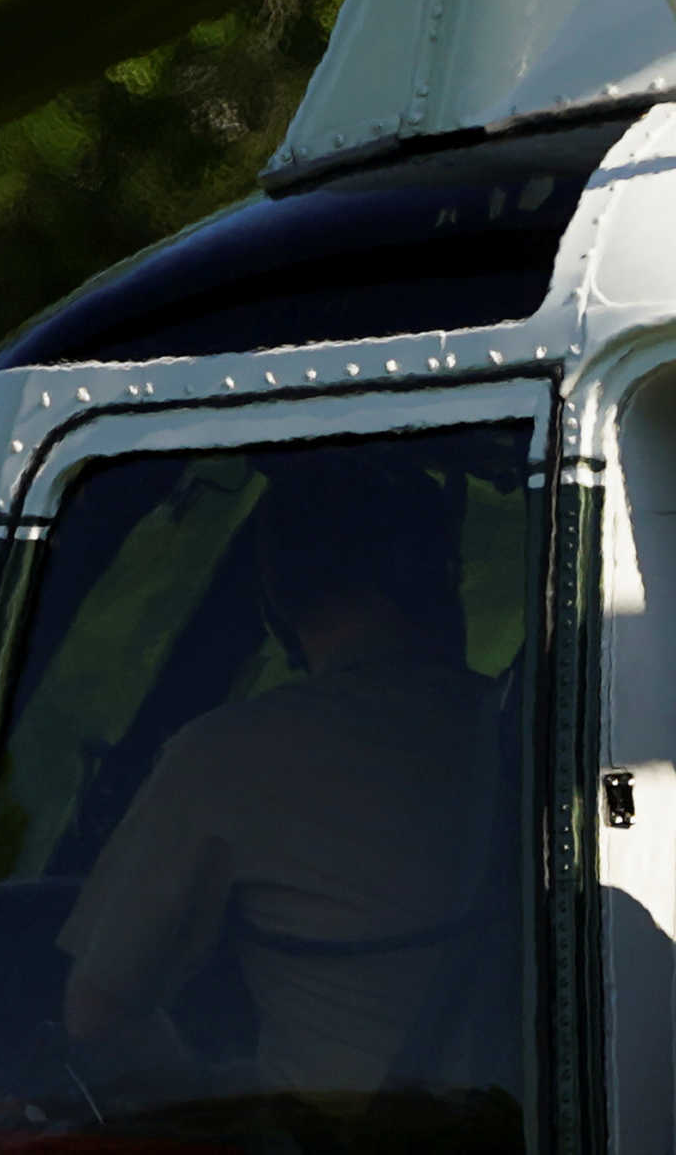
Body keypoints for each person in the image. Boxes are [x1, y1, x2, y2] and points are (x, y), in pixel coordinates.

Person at [55, 460, 500, 1097]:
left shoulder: (227, 756)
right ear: (436, 575)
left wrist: (221, 1097)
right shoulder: (525, 729)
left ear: (276, 601)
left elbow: (98, 1013)